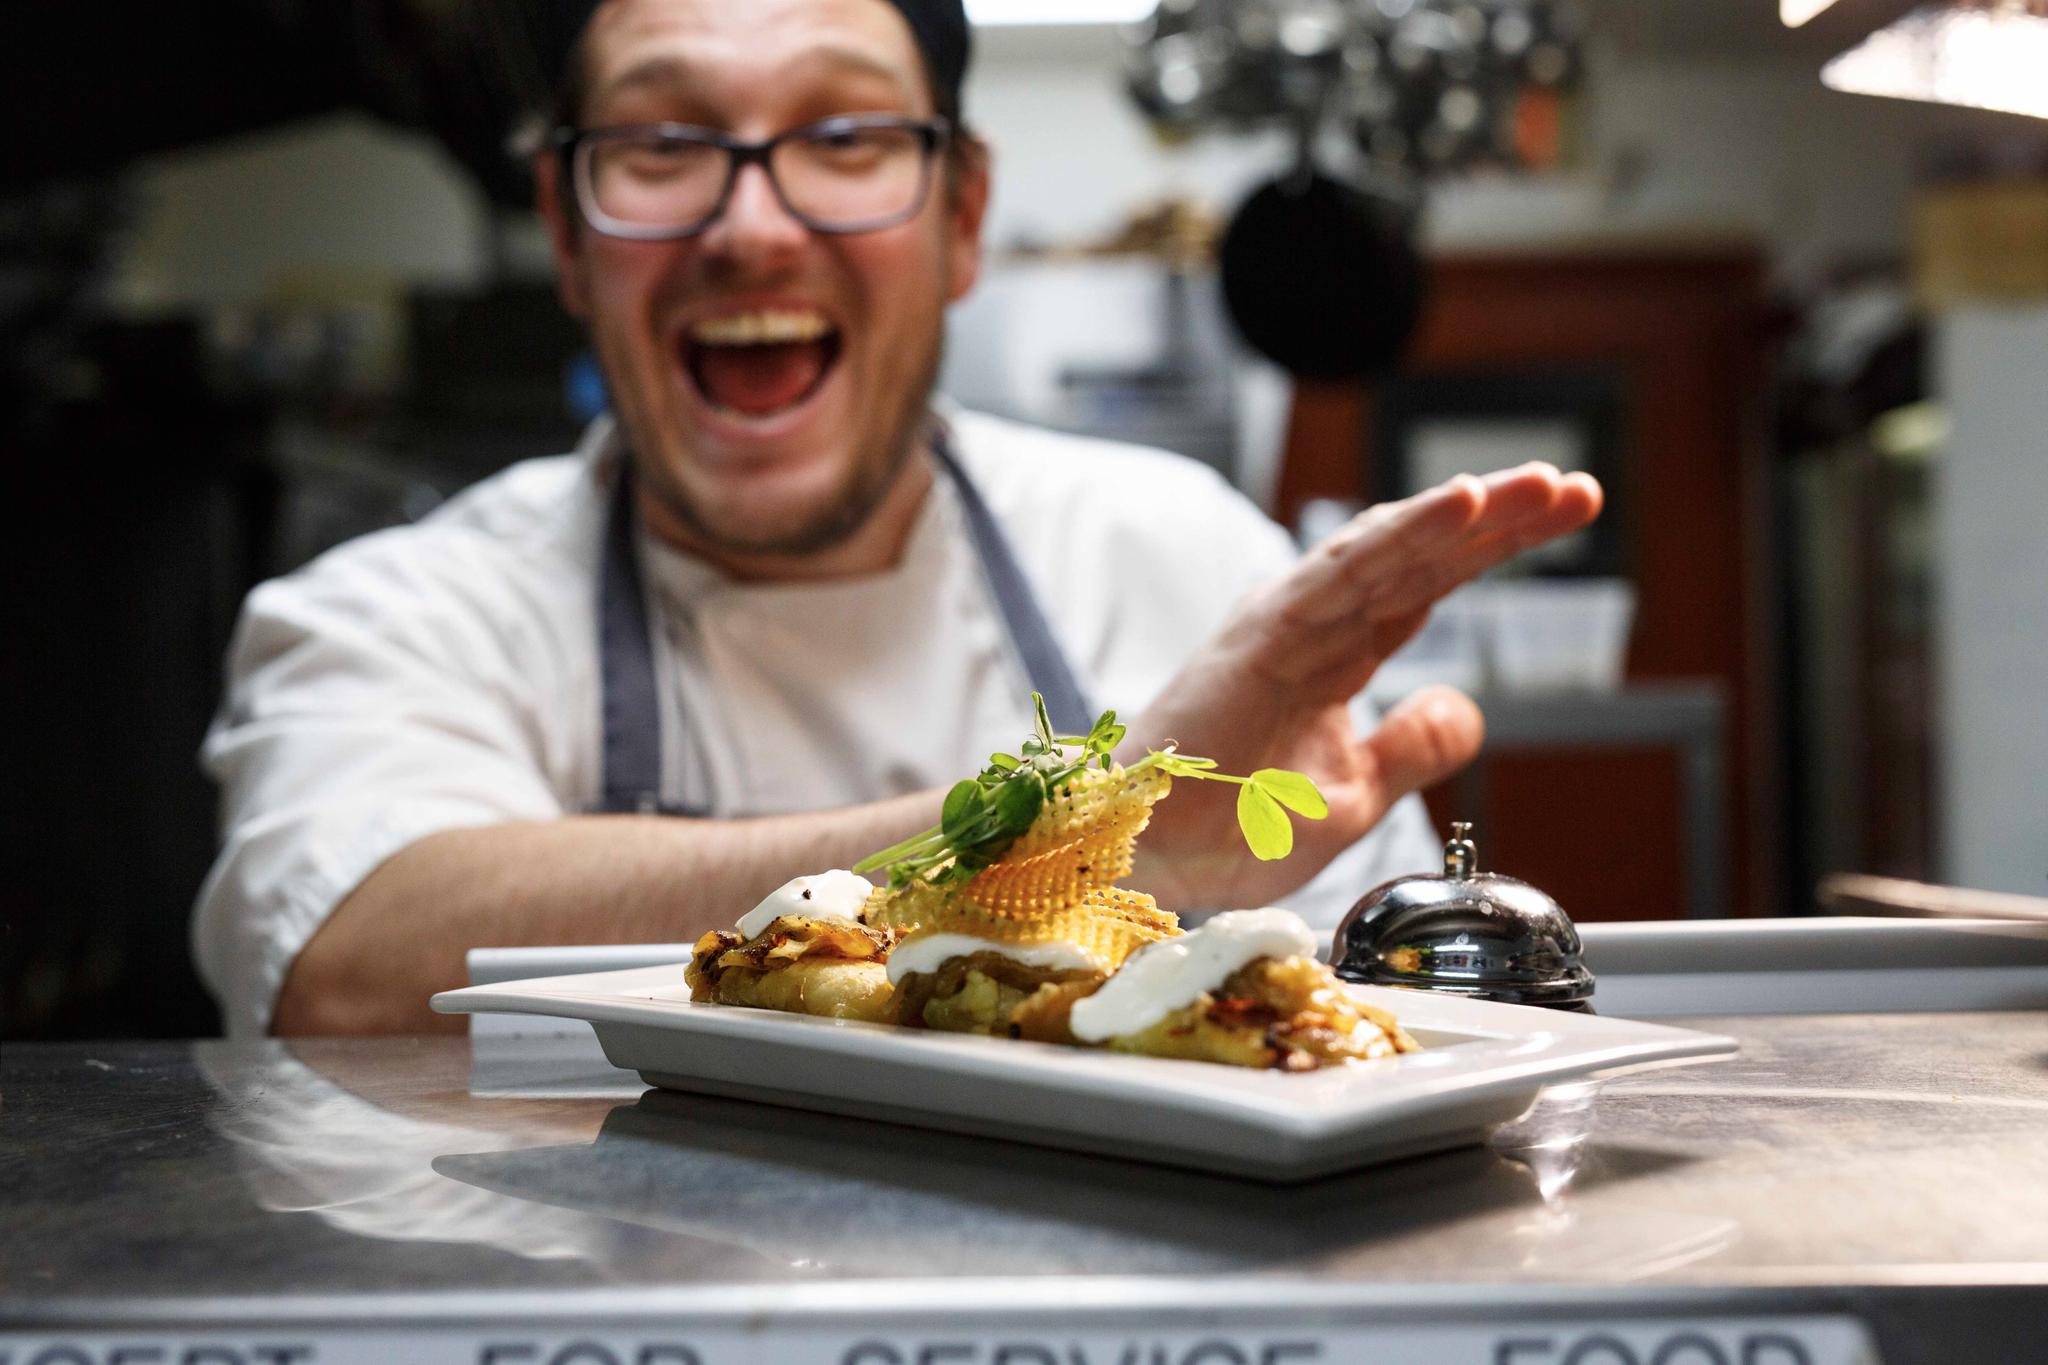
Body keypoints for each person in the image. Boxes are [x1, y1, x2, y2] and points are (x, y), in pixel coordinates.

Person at [192, 0, 1601, 1037]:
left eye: (847, 134)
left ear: (962, 215)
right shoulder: (395, 609)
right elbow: (346, 958)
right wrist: (1055, 842)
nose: (750, 224)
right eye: (663, 141)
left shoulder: (1188, 559)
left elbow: (1379, 1031)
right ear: (566, 229)